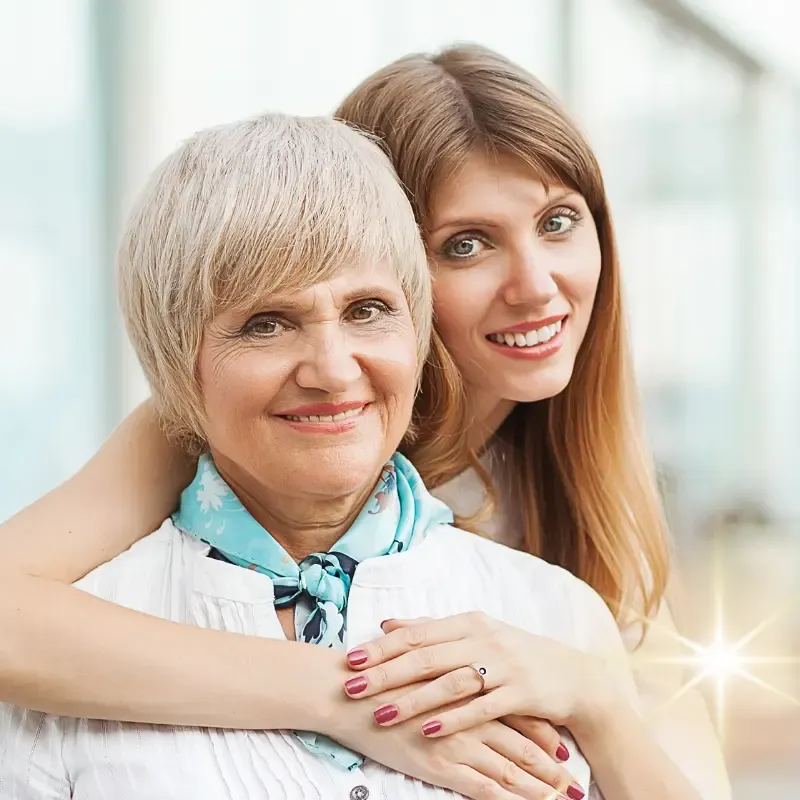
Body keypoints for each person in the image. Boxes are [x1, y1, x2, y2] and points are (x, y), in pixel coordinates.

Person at [0, 46, 729, 800]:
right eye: (466, 244)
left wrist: (595, 693)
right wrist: (343, 696)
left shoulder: (574, 523)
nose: (537, 286)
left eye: (558, 220)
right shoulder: (236, 428)